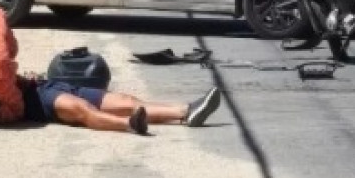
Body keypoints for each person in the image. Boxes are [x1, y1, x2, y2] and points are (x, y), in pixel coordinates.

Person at [16, 74, 223, 135]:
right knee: (81, 110)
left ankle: (185, 111)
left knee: (127, 101)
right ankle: (130, 124)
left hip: (44, 85)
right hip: (35, 101)